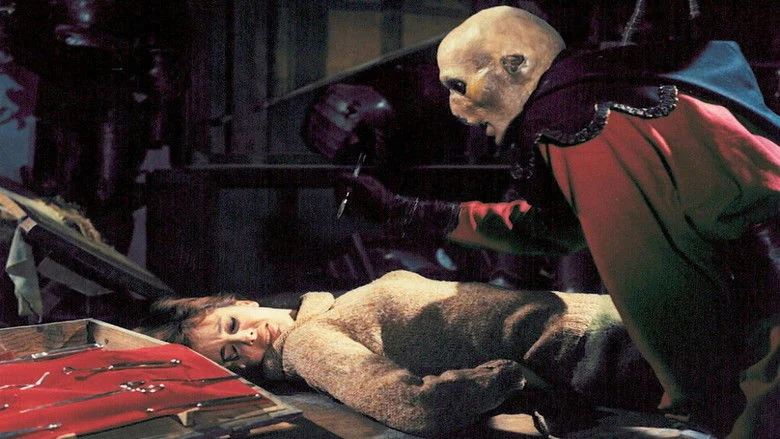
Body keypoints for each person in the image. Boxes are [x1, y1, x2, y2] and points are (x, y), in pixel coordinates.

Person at [336, 5, 780, 437]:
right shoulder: (602, 99)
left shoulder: (584, 127)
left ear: (516, 65)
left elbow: (654, 282)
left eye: (459, 85)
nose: (455, 108)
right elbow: (554, 229)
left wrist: (697, 405)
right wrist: (412, 211)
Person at [135, 269, 663, 437]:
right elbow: (414, 406)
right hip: (597, 348)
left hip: (608, 326)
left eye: (232, 325)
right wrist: (509, 376)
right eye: (232, 355)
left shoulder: (322, 315)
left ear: (242, 303)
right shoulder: (308, 345)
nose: (249, 340)